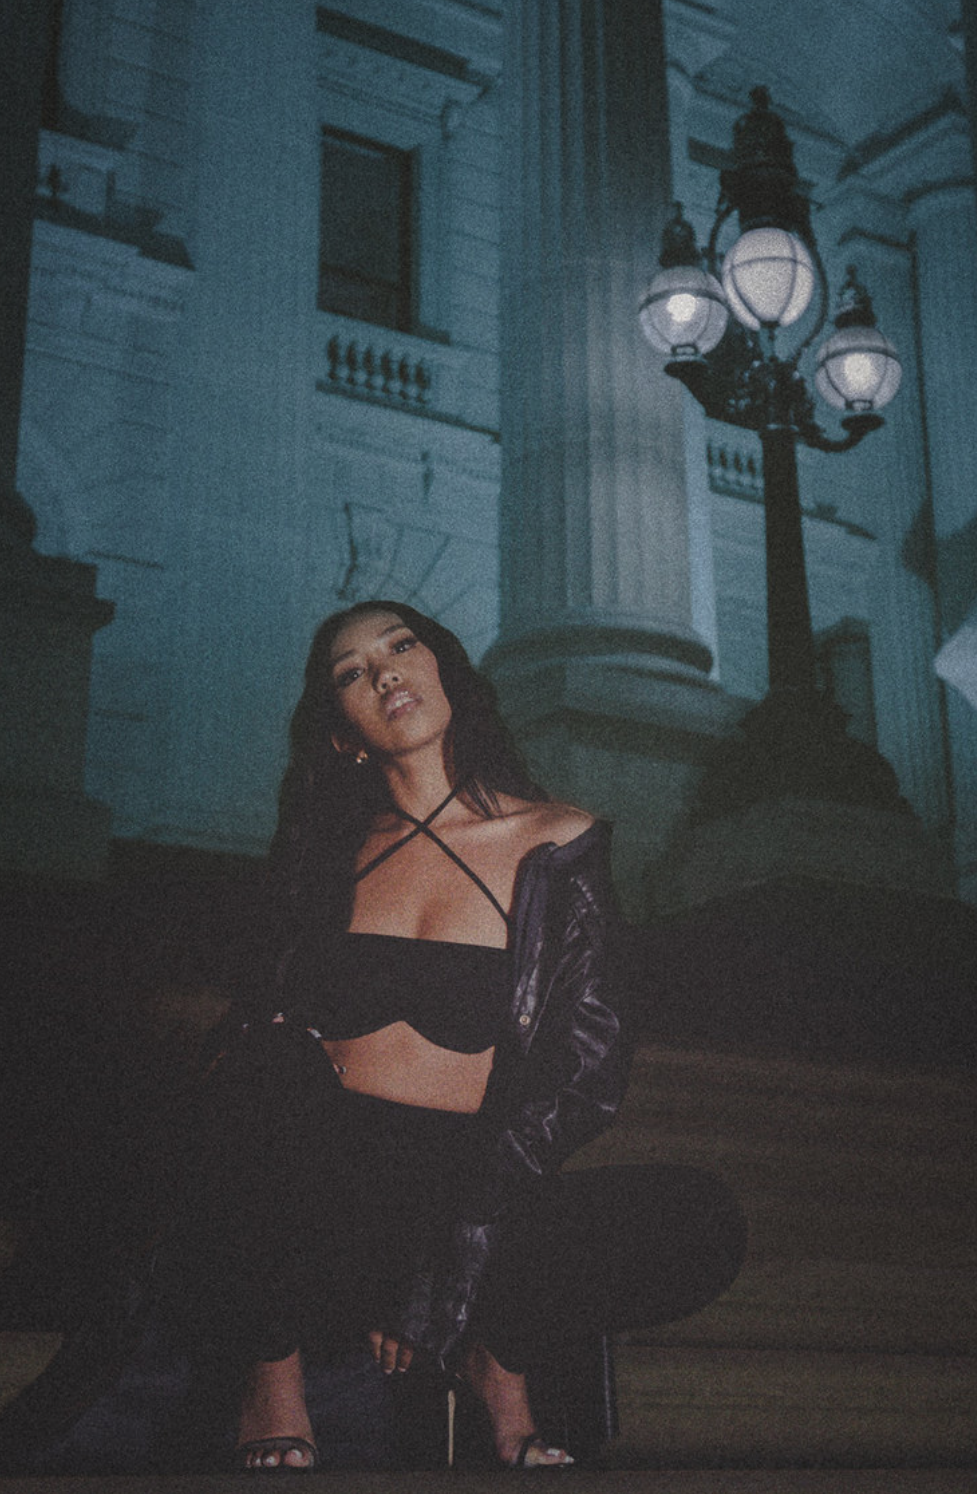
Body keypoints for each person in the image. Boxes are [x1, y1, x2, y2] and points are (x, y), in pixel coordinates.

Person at [176, 601, 745, 1471]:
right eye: (350, 671)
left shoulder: (555, 842)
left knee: (698, 1219)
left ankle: (496, 1357)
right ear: (343, 733)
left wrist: (459, 1236)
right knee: (259, 1071)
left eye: (401, 646)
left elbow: (588, 1072)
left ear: (447, 673)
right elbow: (258, 1030)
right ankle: (273, 1377)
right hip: (321, 1172)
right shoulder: (324, 853)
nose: (384, 672)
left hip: (481, 1169)